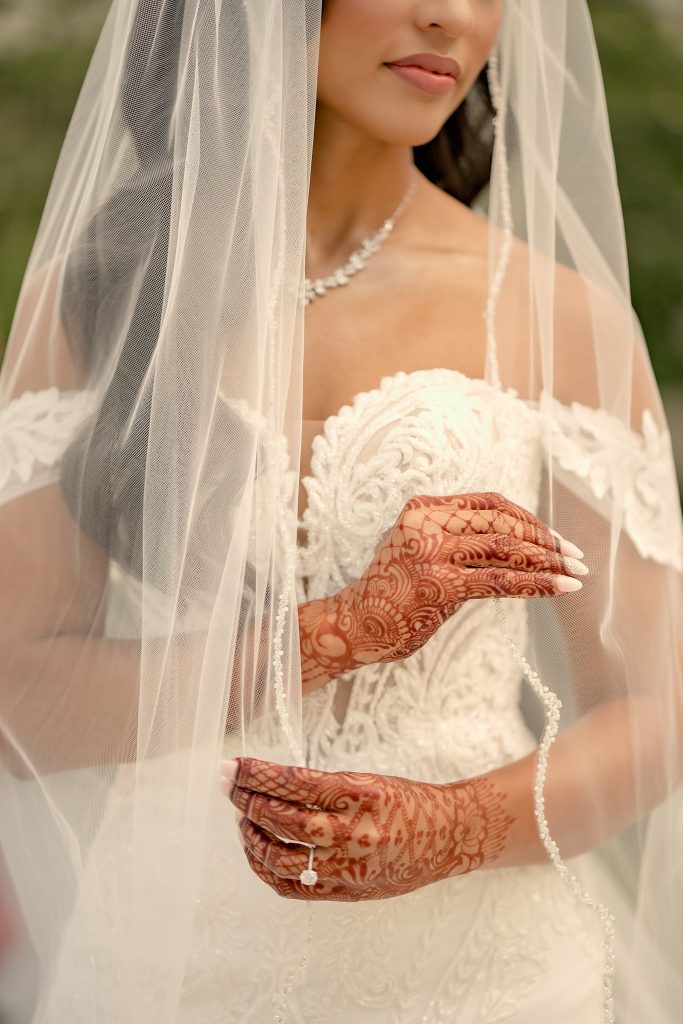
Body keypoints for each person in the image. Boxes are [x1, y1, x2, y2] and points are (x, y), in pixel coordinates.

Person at [0, 2, 681, 1022]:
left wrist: (447, 827)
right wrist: (333, 634)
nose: (450, 16)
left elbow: (652, 713)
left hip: (477, 965)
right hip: (168, 952)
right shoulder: (97, 299)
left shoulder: (561, 318)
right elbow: (21, 695)